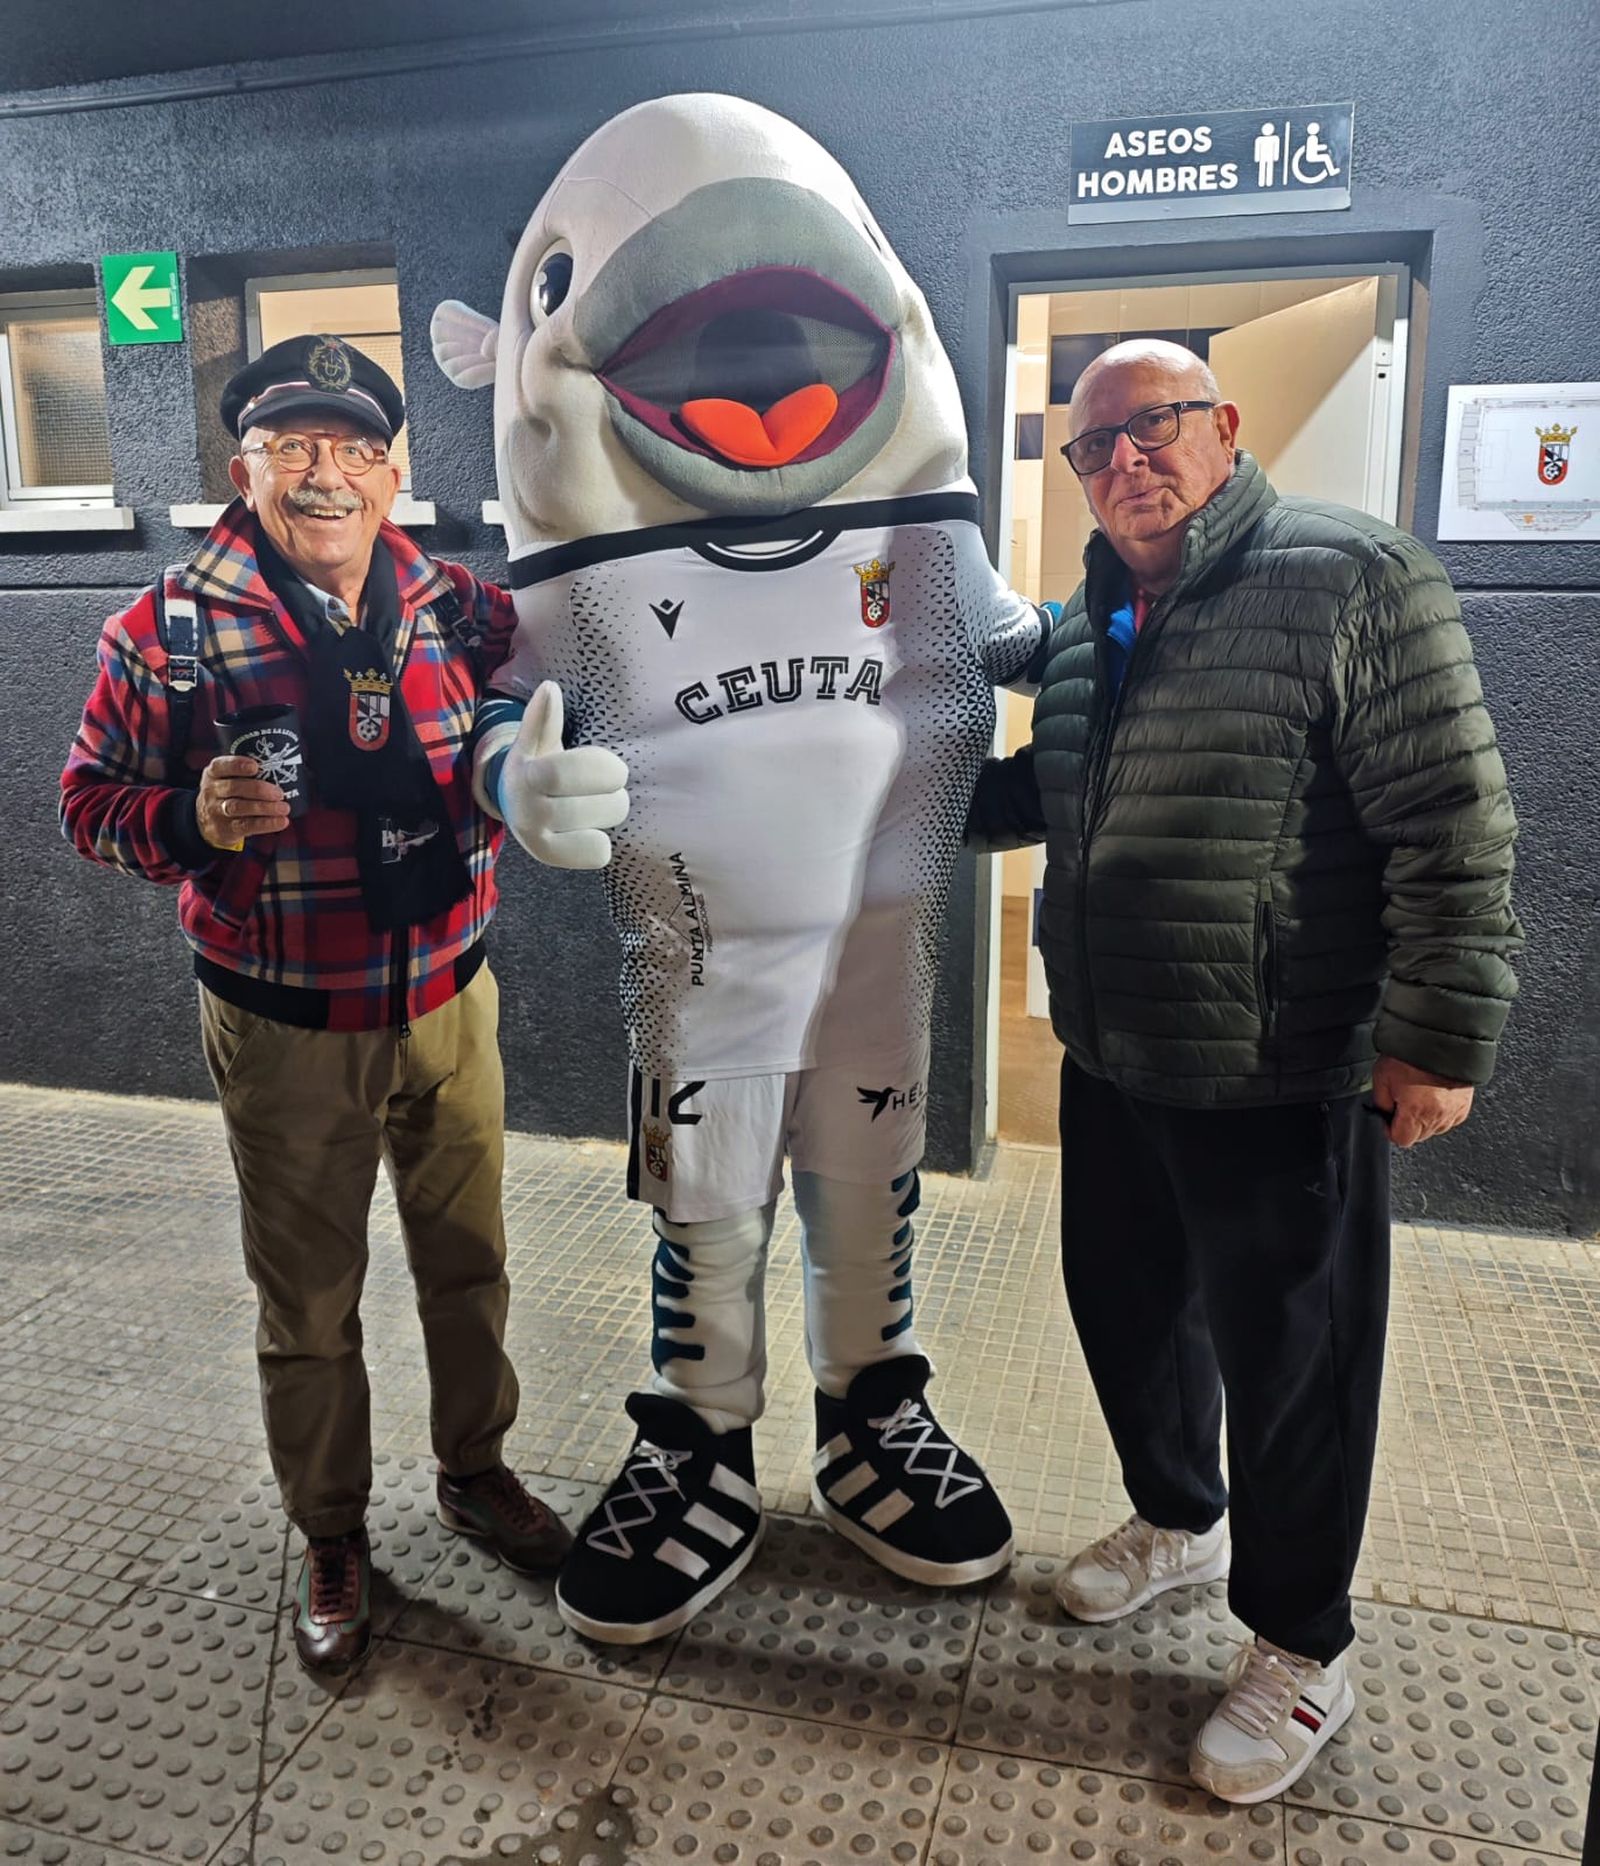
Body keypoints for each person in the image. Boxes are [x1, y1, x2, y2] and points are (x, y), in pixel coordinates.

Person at [433, 93, 1042, 1644]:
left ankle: (869, 1409)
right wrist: (517, 774)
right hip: (696, 962)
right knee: (705, 1204)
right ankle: (701, 1428)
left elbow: (1036, 642)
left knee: (869, 1181)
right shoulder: (583, 571)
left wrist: (1133, 690)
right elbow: (503, 705)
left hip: (881, 948)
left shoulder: (924, 535)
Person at [968, 339, 1521, 1804]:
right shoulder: (1088, 622)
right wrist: (873, 797)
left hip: (1282, 1065)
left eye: (1151, 429)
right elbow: (1045, 788)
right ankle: (1177, 1514)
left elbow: (1453, 821)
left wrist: (1439, 1035)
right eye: (1092, 449)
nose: (1123, 464)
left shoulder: (1353, 577)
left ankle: (1301, 1643)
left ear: (1224, 425)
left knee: (1295, 1370)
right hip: (1113, 1049)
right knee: (1129, 1312)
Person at [60, 334, 571, 1673]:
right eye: (293, 448)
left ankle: (475, 1471)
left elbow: (566, 655)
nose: (325, 475)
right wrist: (183, 813)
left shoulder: (457, 606)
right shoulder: (166, 628)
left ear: (395, 471)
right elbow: (85, 801)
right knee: (310, 1299)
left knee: (469, 1263)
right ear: (244, 469)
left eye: (352, 448)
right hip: (284, 1019)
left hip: (450, 995)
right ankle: (332, 1529)